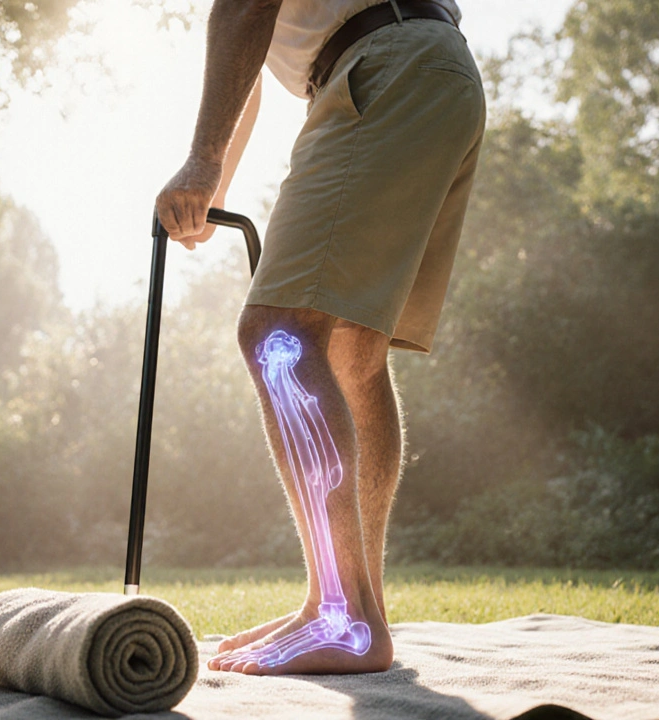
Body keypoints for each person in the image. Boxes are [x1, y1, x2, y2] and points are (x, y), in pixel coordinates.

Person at [154, 0, 485, 675]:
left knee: (279, 334)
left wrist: (200, 159)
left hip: (381, 65)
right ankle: (344, 610)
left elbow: (245, 9)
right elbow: (247, 67)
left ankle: (344, 615)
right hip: (428, 67)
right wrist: (212, 175)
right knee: (351, 353)